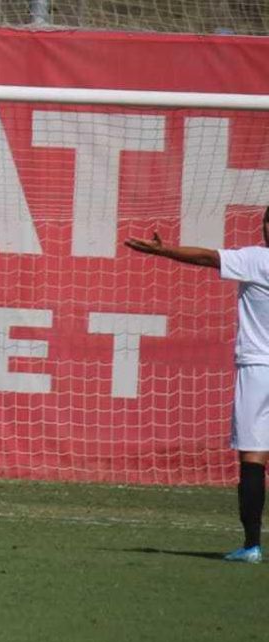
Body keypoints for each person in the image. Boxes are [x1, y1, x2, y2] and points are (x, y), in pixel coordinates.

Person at [125, 210, 269, 563]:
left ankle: (251, 545)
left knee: (253, 457)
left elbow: (207, 257)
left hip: (258, 367)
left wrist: (163, 251)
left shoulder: (256, 259)